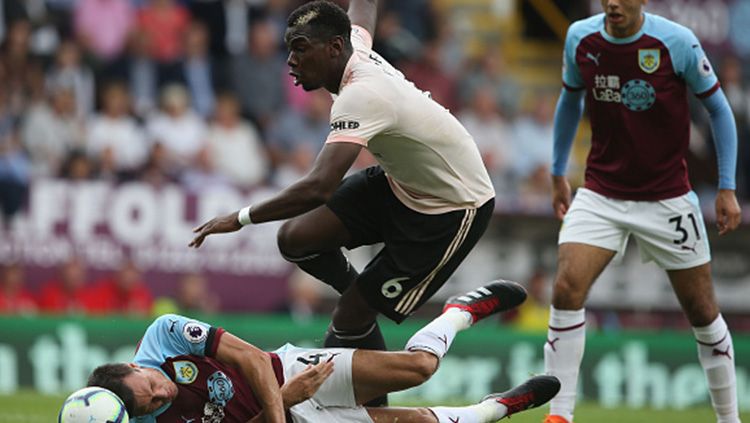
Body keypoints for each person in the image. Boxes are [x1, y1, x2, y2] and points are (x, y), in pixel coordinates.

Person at [189, 2, 497, 407]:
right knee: (296, 239)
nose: (291, 62)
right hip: (401, 183)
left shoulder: (361, 94)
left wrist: (240, 217)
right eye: (289, 50)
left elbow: (318, 187)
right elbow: (364, 8)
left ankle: (370, 406)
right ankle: (358, 303)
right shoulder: (352, 45)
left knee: (349, 317)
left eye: (300, 49)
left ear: (334, 47)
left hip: (451, 207)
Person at [544, 1, 742, 423]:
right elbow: (569, 100)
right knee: (566, 287)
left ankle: (728, 419)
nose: (613, 2)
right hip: (601, 193)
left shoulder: (676, 42)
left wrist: (727, 187)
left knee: (703, 312)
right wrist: (559, 170)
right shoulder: (581, 37)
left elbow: (720, 111)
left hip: (667, 198)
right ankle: (559, 415)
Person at [87, 280, 561, 423]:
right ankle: (499, 408)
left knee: (419, 367)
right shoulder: (149, 420)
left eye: (149, 384)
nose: (160, 394)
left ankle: (461, 310)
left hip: (285, 369)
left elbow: (250, 358)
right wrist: (286, 406)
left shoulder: (163, 334)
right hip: (292, 415)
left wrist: (282, 397)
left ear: (135, 365)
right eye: (151, 403)